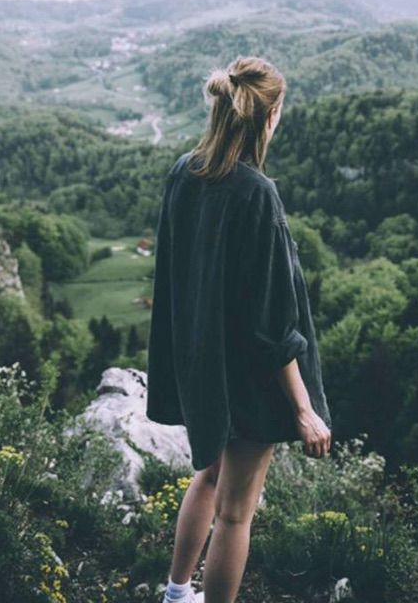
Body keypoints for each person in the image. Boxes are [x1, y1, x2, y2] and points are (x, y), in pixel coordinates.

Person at [145, 55, 333, 603]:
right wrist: (303, 408)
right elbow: (272, 323)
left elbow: (176, 269)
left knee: (207, 478)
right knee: (235, 514)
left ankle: (177, 593)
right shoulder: (256, 193)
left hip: (204, 363)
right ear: (270, 116)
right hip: (250, 378)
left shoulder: (185, 171)